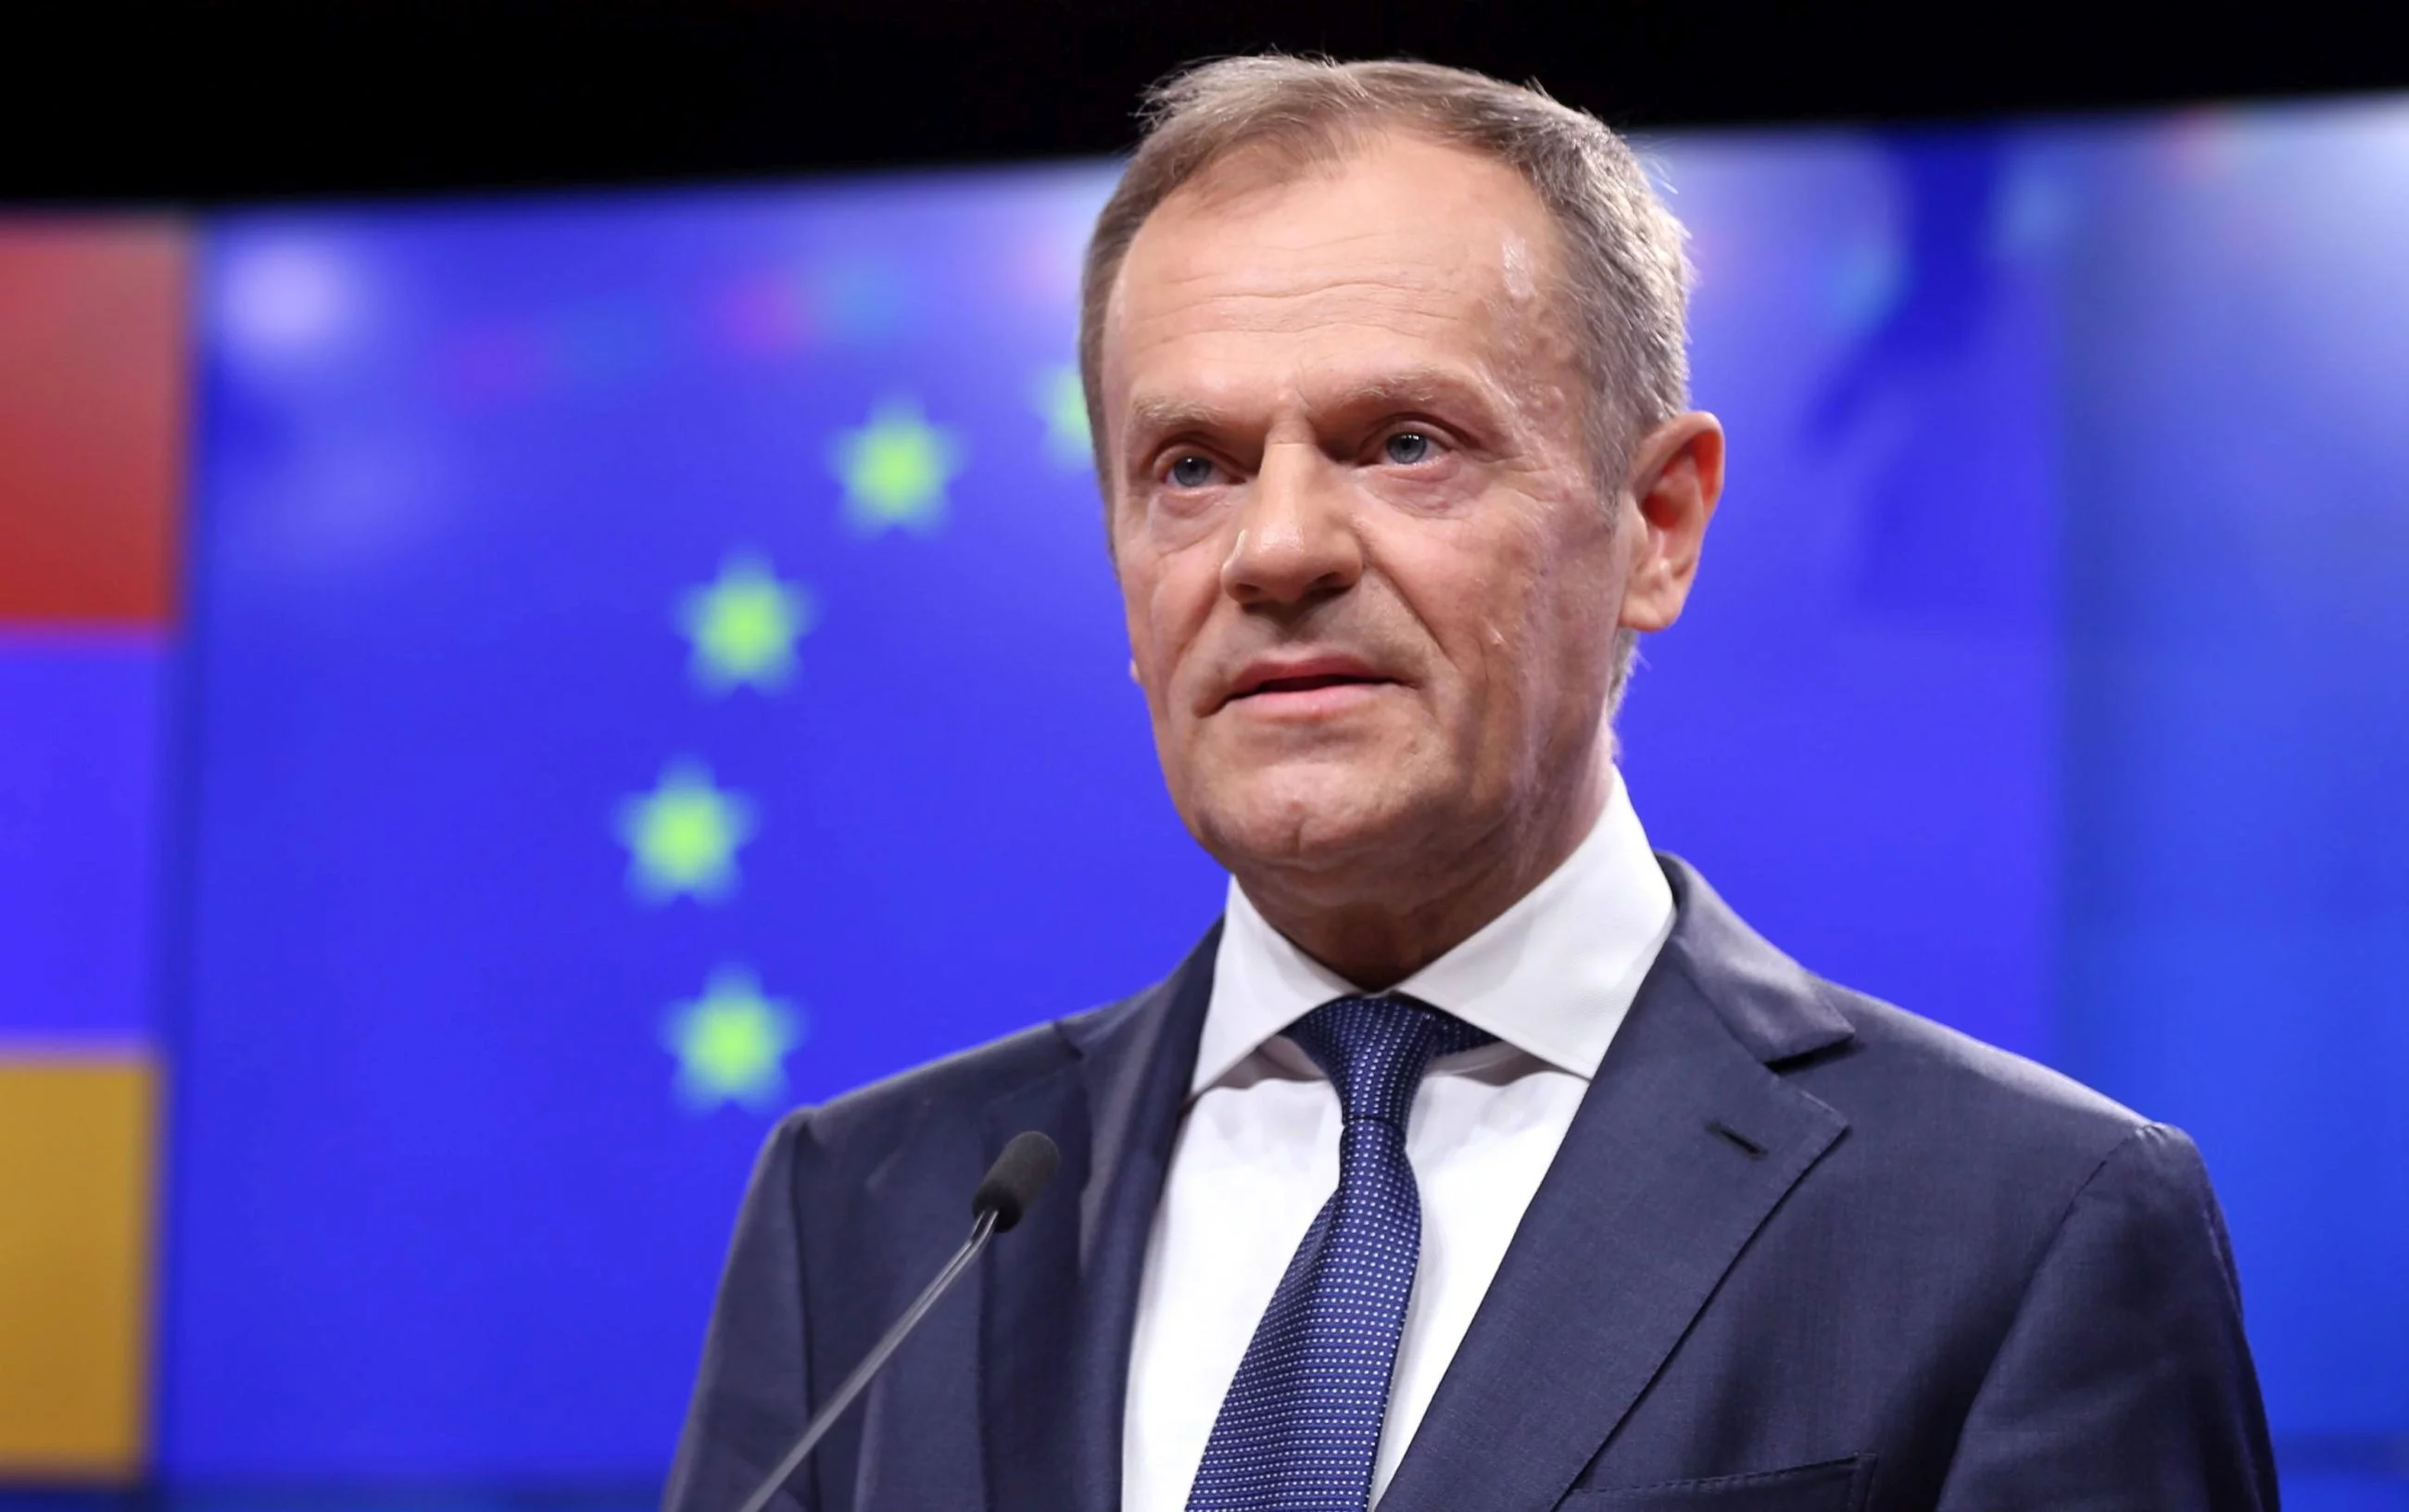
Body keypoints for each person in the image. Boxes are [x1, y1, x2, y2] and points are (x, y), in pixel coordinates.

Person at [664, 57, 2277, 1511]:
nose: (1276, 549)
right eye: (1192, 468)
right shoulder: (870, 1217)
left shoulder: (2023, 1226)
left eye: (1404, 443)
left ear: (1658, 525)